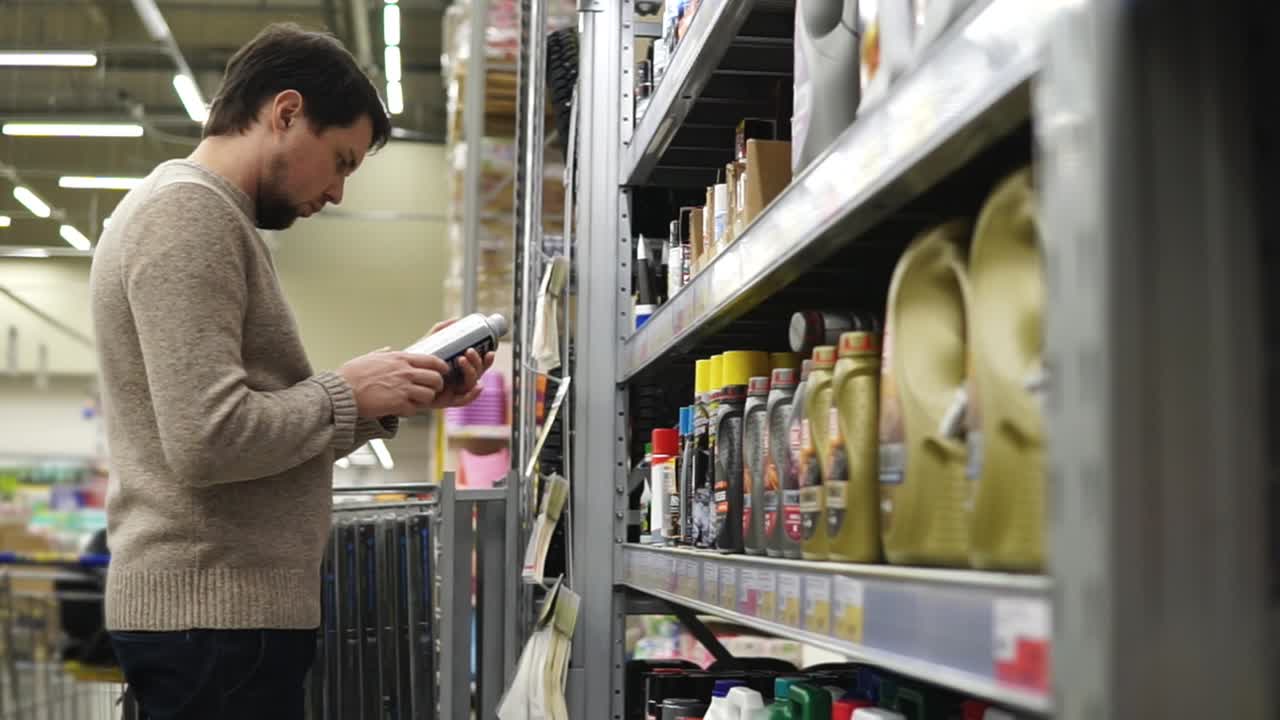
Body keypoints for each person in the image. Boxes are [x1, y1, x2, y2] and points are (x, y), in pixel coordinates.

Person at [89, 23, 493, 719]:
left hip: (221, 622)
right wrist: (345, 391)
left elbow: (249, 432)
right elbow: (208, 439)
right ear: (285, 113)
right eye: (340, 161)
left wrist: (388, 392)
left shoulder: (210, 217)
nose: (336, 191)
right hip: (212, 621)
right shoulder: (189, 216)